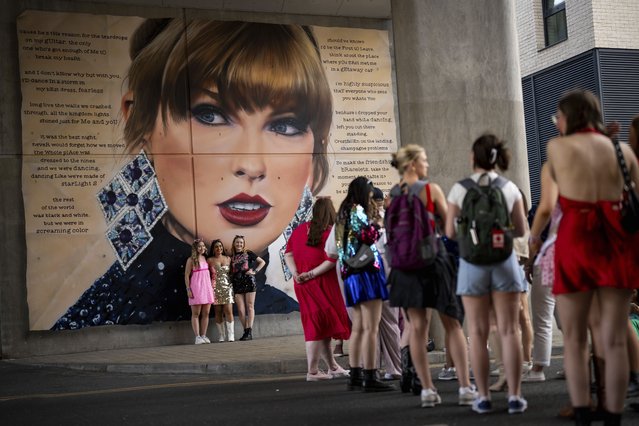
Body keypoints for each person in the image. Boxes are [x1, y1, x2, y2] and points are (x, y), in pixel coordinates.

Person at [53, 19, 333, 329]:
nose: (252, 165)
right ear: (141, 121)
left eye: (285, 125)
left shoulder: (293, 311)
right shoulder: (100, 321)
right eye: (210, 115)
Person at [545, 90, 639, 426]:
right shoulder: (624, 151)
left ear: (571, 116)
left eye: (559, 116)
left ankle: (582, 411)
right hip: (617, 241)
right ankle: (613, 416)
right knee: (613, 337)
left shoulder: (557, 148)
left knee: (573, 337)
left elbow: (551, 195)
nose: (557, 122)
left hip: (576, 239)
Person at [445, 133, 529, 415]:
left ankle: (482, 397)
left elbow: (448, 232)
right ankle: (515, 396)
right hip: (505, 261)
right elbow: (521, 229)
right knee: (509, 330)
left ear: (473, 157)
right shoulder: (510, 188)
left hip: (471, 264)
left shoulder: (460, 189)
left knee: (477, 333)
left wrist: (472, 236)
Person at [387, 144, 474, 407]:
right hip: (433, 262)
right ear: (412, 163)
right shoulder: (430, 190)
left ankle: (427, 389)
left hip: (404, 268)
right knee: (453, 325)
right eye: (424, 160)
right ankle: (465, 387)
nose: (427, 165)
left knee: (417, 327)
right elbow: (450, 230)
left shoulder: (392, 195)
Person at [284, 197, 351, 381]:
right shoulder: (330, 232)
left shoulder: (299, 230)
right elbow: (332, 260)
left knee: (320, 325)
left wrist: (297, 272)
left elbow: (287, 254)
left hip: (302, 284)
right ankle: (312, 371)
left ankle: (333, 367)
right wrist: (312, 274)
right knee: (317, 326)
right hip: (322, 283)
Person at [336, 176, 393, 392]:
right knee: (371, 327)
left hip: (351, 274)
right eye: (370, 193)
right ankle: (370, 375)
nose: (372, 197)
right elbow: (369, 237)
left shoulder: (342, 214)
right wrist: (378, 222)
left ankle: (356, 373)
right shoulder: (357, 211)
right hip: (367, 273)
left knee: (358, 327)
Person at [230, 235, 265, 341]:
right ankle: (246, 330)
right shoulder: (231, 257)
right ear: (234, 244)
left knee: (250, 306)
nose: (239, 244)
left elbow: (262, 262)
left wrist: (255, 271)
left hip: (249, 281)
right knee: (240, 310)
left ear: (243, 244)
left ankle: (248, 331)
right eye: (237, 242)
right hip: (237, 283)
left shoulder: (248, 253)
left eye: (241, 242)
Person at [184, 239, 214, 344]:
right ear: (195, 248)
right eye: (199, 246)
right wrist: (188, 289)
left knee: (206, 313)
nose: (202, 248)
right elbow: (187, 275)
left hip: (207, 288)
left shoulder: (205, 259)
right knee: (196, 313)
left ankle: (203, 335)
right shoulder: (191, 260)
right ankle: (197, 337)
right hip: (196, 288)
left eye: (203, 246)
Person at [208, 239, 234, 342]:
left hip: (227, 287)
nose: (219, 248)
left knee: (228, 311)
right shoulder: (209, 260)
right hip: (214, 287)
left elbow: (233, 272)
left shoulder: (228, 258)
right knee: (218, 312)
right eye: (216, 247)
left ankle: (231, 335)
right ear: (213, 249)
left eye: (220, 246)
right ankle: (221, 336)